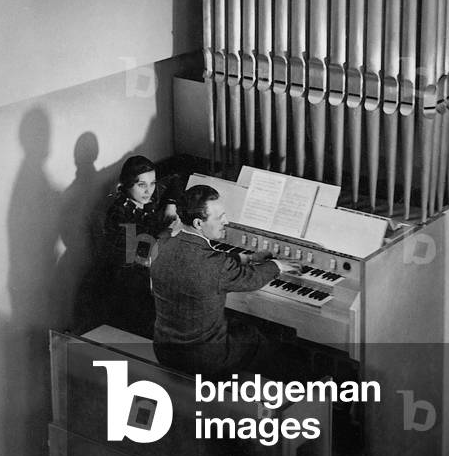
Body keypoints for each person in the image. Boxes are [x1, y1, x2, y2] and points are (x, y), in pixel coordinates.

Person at [150, 184, 301, 377]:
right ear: (198, 223)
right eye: (220, 217)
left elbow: (204, 261)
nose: (226, 221)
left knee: (236, 324)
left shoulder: (162, 246)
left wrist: (248, 258)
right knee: (257, 337)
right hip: (204, 360)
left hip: (165, 351)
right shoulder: (216, 264)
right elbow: (252, 279)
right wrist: (278, 265)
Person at [101, 155, 175, 337]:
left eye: (152, 183)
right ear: (127, 184)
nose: (149, 191)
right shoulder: (120, 213)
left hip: (145, 271)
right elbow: (137, 255)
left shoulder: (144, 201)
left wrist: (171, 204)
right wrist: (167, 232)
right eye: (141, 185)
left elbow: (175, 180)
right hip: (128, 283)